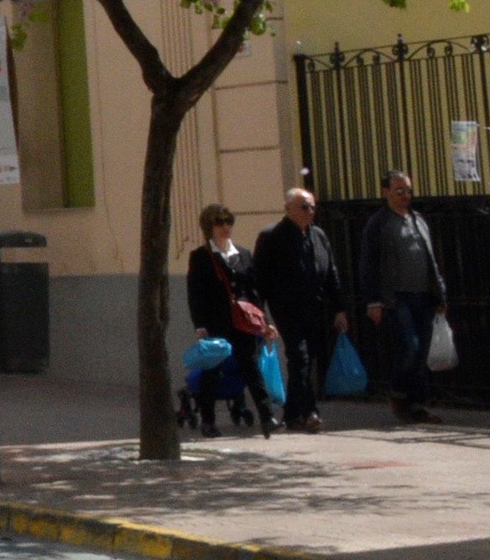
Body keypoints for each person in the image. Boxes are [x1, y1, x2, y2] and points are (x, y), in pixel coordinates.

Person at [358, 171, 449, 423]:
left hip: (424, 295)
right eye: (399, 191)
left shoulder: (418, 219)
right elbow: (369, 263)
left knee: (422, 353)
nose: (404, 196)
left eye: (408, 191)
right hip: (396, 298)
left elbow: (431, 259)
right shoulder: (379, 223)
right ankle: (398, 394)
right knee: (410, 346)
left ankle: (417, 405)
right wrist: (373, 300)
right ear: (386, 191)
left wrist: (440, 294)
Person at [253, 189, 348, 431]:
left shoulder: (318, 235)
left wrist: (339, 307)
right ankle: (310, 411)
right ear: (288, 208)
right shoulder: (272, 236)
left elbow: (331, 273)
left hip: (315, 307)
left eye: (313, 207)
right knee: (299, 356)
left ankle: (292, 413)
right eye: (304, 207)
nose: (310, 212)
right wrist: (260, 315)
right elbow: (260, 279)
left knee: (307, 360)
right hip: (286, 308)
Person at [185, 204, 276, 438]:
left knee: (251, 368)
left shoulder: (243, 254)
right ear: (209, 227)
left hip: (243, 323)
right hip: (217, 323)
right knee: (212, 371)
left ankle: (267, 417)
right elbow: (195, 294)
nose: (226, 227)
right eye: (219, 223)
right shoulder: (201, 257)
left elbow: (254, 291)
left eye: (229, 221)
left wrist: (264, 322)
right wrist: (200, 326)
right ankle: (208, 420)